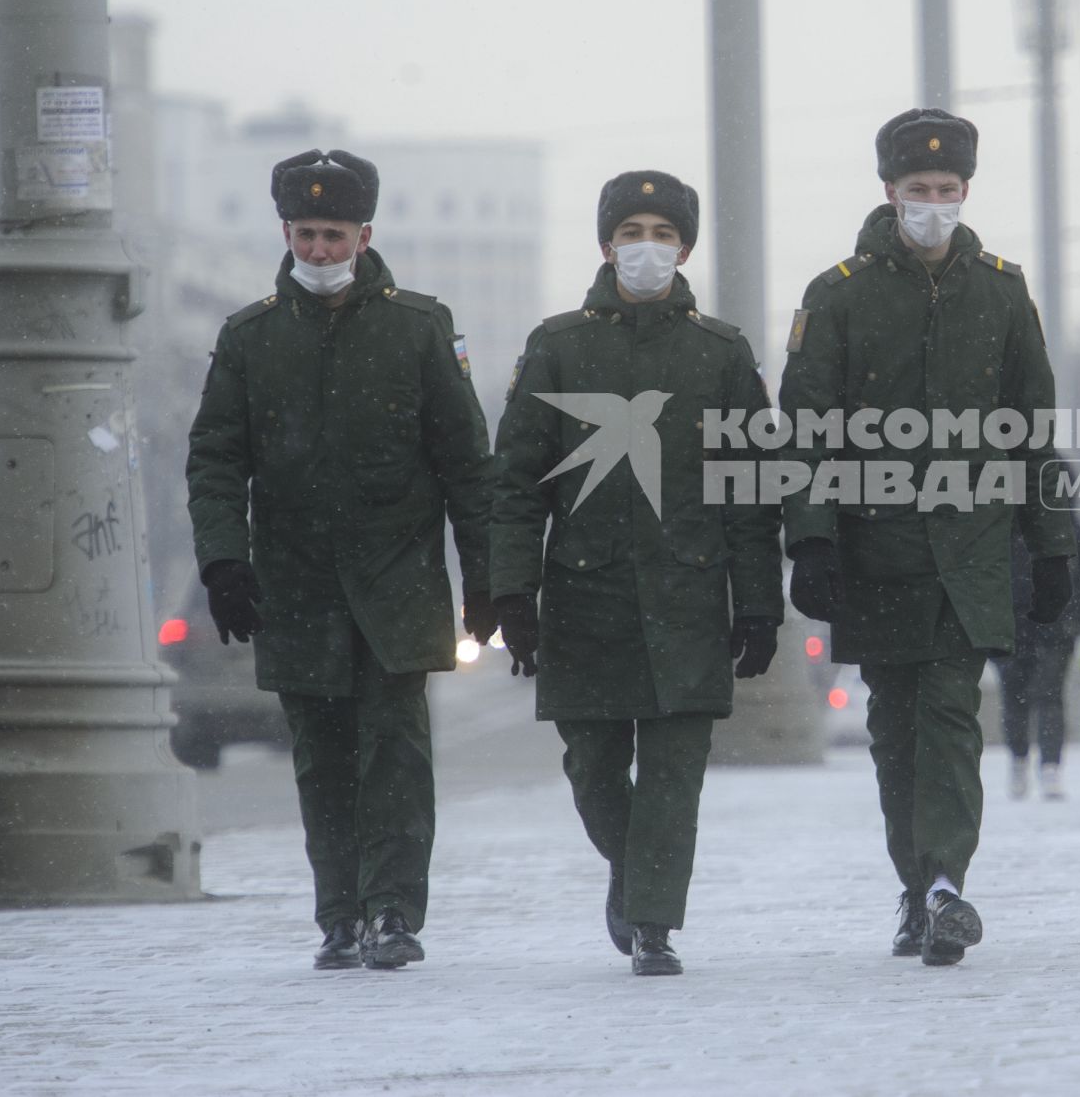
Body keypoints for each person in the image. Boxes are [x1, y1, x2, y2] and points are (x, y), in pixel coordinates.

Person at [186, 149, 496, 971]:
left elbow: (467, 464)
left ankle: (393, 910)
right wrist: (224, 562)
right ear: (286, 233)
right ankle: (339, 914)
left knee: (394, 749)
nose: (320, 251)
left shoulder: (419, 328)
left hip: (397, 580)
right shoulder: (250, 336)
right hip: (295, 585)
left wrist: (490, 578)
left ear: (365, 233)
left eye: (334, 234)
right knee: (321, 755)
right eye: (306, 234)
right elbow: (216, 456)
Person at [779, 108, 1075, 965]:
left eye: (948, 191)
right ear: (890, 192)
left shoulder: (1001, 289)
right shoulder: (839, 294)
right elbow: (805, 428)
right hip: (877, 550)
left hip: (971, 551)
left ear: (968, 192)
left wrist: (1050, 543)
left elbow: (1033, 426)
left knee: (950, 712)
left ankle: (946, 883)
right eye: (919, 191)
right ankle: (915, 888)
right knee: (894, 726)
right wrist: (812, 540)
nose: (934, 206)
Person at [491, 171, 782, 976]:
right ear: (606, 243)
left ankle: (652, 922)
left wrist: (761, 603)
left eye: (661, 231)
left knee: (674, 772)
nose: (645, 246)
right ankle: (631, 868)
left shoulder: (721, 354)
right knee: (592, 765)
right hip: (586, 597)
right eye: (631, 231)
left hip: (690, 596)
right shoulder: (558, 345)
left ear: (684, 247)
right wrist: (512, 590)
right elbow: (514, 482)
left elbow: (753, 493)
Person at [999, 511, 1080, 800]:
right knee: (1020, 696)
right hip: (1016, 623)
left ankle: (1048, 766)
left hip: (1052, 623)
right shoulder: (1004, 522)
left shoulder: (1064, 522)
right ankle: (1022, 761)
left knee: (1045, 695)